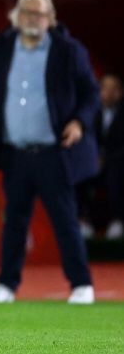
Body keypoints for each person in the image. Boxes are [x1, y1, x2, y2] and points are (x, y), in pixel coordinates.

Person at [0, 0, 100, 304]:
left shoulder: (68, 50)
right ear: (17, 16)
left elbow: (91, 93)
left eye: (39, 14)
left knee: (65, 221)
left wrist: (78, 123)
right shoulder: (4, 47)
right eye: (28, 13)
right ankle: (6, 285)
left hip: (53, 153)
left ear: (51, 18)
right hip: (15, 153)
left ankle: (81, 284)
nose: (33, 19)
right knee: (14, 222)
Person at [78, 72, 124, 239]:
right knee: (78, 170)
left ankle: (118, 220)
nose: (108, 93)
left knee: (116, 173)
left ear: (120, 92)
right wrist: (95, 157)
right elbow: (86, 138)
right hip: (94, 160)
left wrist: (106, 159)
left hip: (117, 162)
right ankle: (83, 220)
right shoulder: (91, 111)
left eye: (113, 89)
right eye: (104, 89)